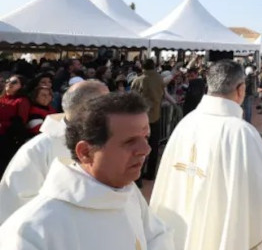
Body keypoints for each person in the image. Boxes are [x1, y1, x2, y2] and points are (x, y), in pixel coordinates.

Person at [0, 92, 173, 249]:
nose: (146, 149)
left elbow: (157, 237)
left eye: (146, 137)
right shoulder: (31, 231)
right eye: (129, 142)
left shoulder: (129, 194)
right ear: (85, 152)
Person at [150, 60, 262, 250]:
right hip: (217, 227)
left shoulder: (186, 123)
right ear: (240, 89)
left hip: (177, 223)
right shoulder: (241, 132)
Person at [0, 81, 109, 224]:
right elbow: (16, 207)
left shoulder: (107, 142)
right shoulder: (38, 150)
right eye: (108, 106)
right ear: (88, 110)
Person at [131, 59, 164, 181]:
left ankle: (137, 177)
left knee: (139, 148)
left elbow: (133, 97)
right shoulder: (159, 79)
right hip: (156, 115)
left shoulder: (139, 80)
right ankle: (151, 174)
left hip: (141, 118)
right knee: (154, 147)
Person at [0, 75, 30, 174]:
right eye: (8, 80)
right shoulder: (2, 98)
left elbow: (21, 123)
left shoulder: (22, 101)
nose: (9, 83)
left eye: (14, 82)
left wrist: (3, 125)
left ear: (21, 86)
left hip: (7, 140)